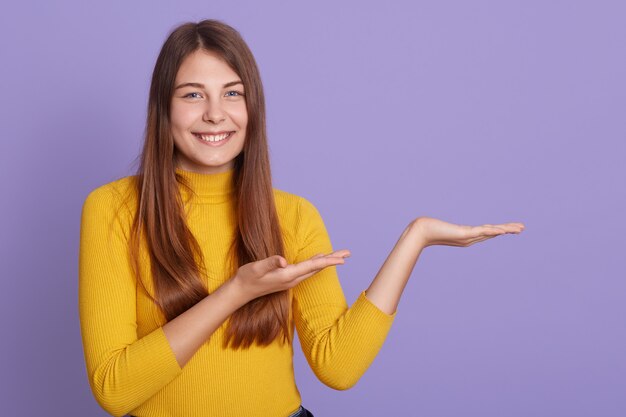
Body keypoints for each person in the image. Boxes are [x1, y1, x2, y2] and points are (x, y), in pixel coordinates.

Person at [78, 19, 525, 417]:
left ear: (253, 107)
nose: (215, 113)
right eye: (193, 95)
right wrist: (236, 292)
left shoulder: (292, 215)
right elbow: (114, 391)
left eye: (233, 93)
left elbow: (339, 366)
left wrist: (417, 237)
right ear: (164, 108)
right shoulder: (113, 209)